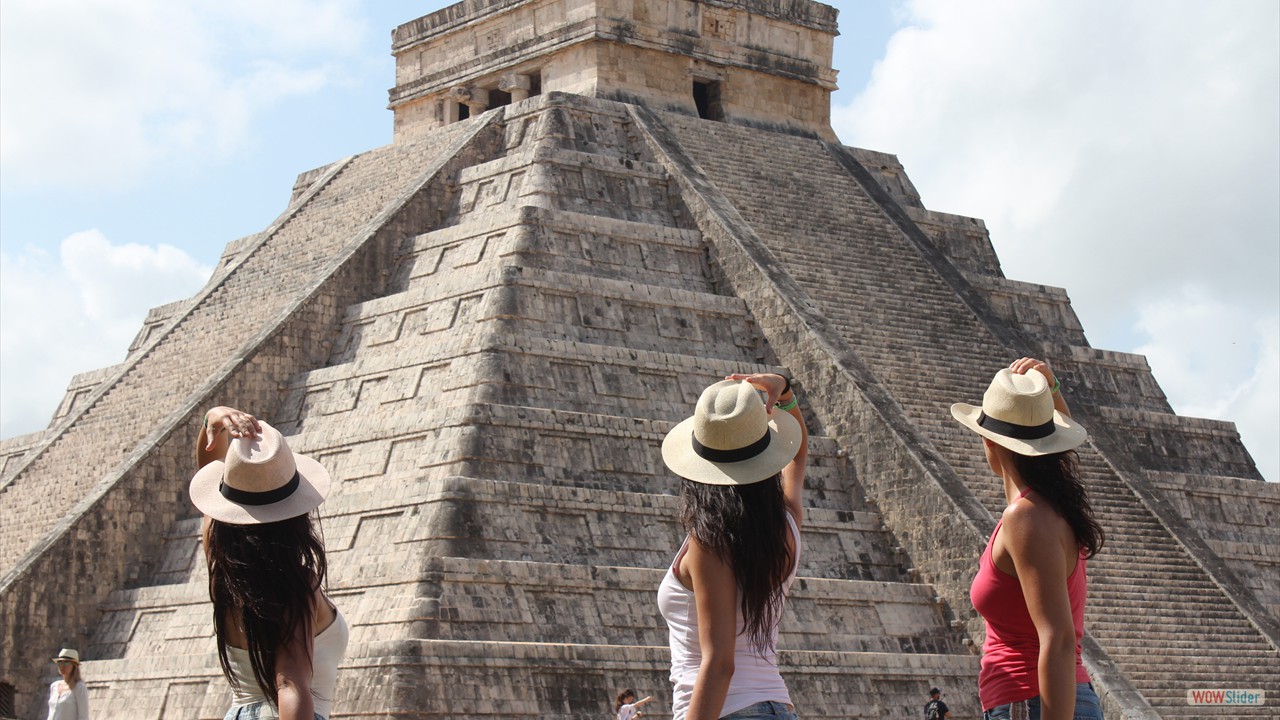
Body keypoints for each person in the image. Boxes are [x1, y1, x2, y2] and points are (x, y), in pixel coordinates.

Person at [953, 358, 1105, 720]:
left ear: (988, 441)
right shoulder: (1051, 508)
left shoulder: (1026, 517)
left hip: (1032, 702)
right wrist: (1049, 391)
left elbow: (1058, 638)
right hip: (1046, 699)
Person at [658, 372, 808, 720]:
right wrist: (785, 393)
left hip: (726, 711)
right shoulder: (785, 521)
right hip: (777, 707)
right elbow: (797, 458)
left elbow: (720, 663)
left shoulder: (710, 541)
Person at [190, 406, 349, 720]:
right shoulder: (295, 583)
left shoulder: (224, 568)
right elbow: (290, 684)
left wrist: (215, 417)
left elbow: (208, 471)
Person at [46, 648, 89, 720]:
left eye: (66, 663)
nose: (62, 666)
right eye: (60, 662)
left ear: (74, 666)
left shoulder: (79, 687)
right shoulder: (54, 686)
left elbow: (83, 716)